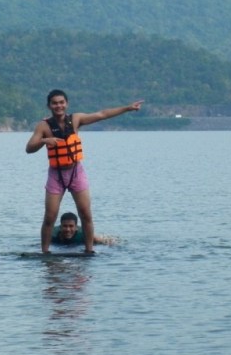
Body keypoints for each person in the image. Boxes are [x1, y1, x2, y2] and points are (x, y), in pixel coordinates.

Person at [26, 89, 143, 253]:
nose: (58, 106)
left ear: (66, 104)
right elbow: (29, 148)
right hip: (56, 175)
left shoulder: (75, 119)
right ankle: (45, 252)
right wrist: (45, 140)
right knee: (50, 217)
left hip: (76, 172)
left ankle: (89, 250)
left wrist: (127, 108)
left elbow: (102, 114)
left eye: (61, 102)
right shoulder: (43, 126)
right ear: (49, 106)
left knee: (86, 214)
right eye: (54, 103)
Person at [52, 212, 116, 247]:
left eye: (71, 226)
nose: (68, 229)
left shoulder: (83, 234)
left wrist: (109, 243)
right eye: (65, 226)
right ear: (60, 227)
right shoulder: (52, 235)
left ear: (76, 227)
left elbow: (107, 242)